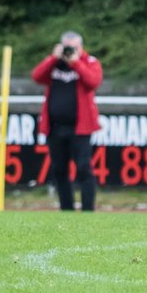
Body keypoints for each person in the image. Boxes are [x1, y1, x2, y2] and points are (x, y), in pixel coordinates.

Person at [32, 31, 103, 211]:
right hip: (55, 128)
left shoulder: (90, 62)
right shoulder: (54, 64)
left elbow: (93, 81)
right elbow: (37, 76)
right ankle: (67, 208)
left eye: (74, 47)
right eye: (67, 47)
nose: (70, 51)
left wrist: (76, 62)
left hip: (80, 128)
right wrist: (52, 58)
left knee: (83, 168)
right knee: (59, 169)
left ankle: (87, 209)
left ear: (81, 47)